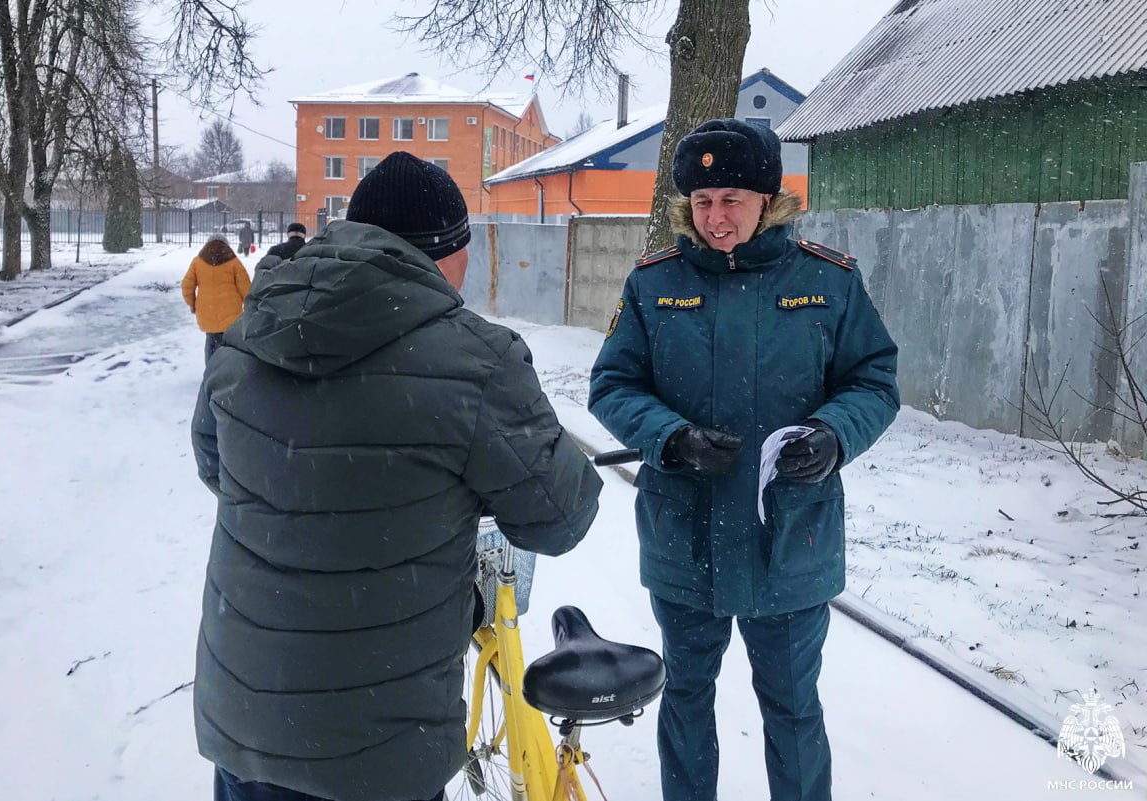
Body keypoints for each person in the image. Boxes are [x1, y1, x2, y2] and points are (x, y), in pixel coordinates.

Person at [191, 150, 602, 801]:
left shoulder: (251, 332)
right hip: (376, 750)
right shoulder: (475, 359)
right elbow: (561, 514)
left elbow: (217, 465)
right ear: (448, 252)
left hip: (249, 723)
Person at [588, 119, 899, 801]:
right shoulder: (653, 285)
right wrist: (669, 435)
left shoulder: (829, 281)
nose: (716, 217)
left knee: (791, 706)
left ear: (767, 199)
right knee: (687, 699)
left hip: (787, 536)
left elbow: (875, 380)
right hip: (685, 536)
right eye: (702, 202)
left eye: (731, 198)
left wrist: (832, 434)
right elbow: (611, 385)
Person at [181, 235, 250, 363]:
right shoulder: (234, 262)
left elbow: (186, 286)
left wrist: (192, 304)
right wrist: (249, 307)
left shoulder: (198, 262)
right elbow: (246, 288)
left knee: (211, 342)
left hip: (207, 312)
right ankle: (228, 374)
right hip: (231, 314)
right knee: (230, 345)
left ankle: (210, 373)